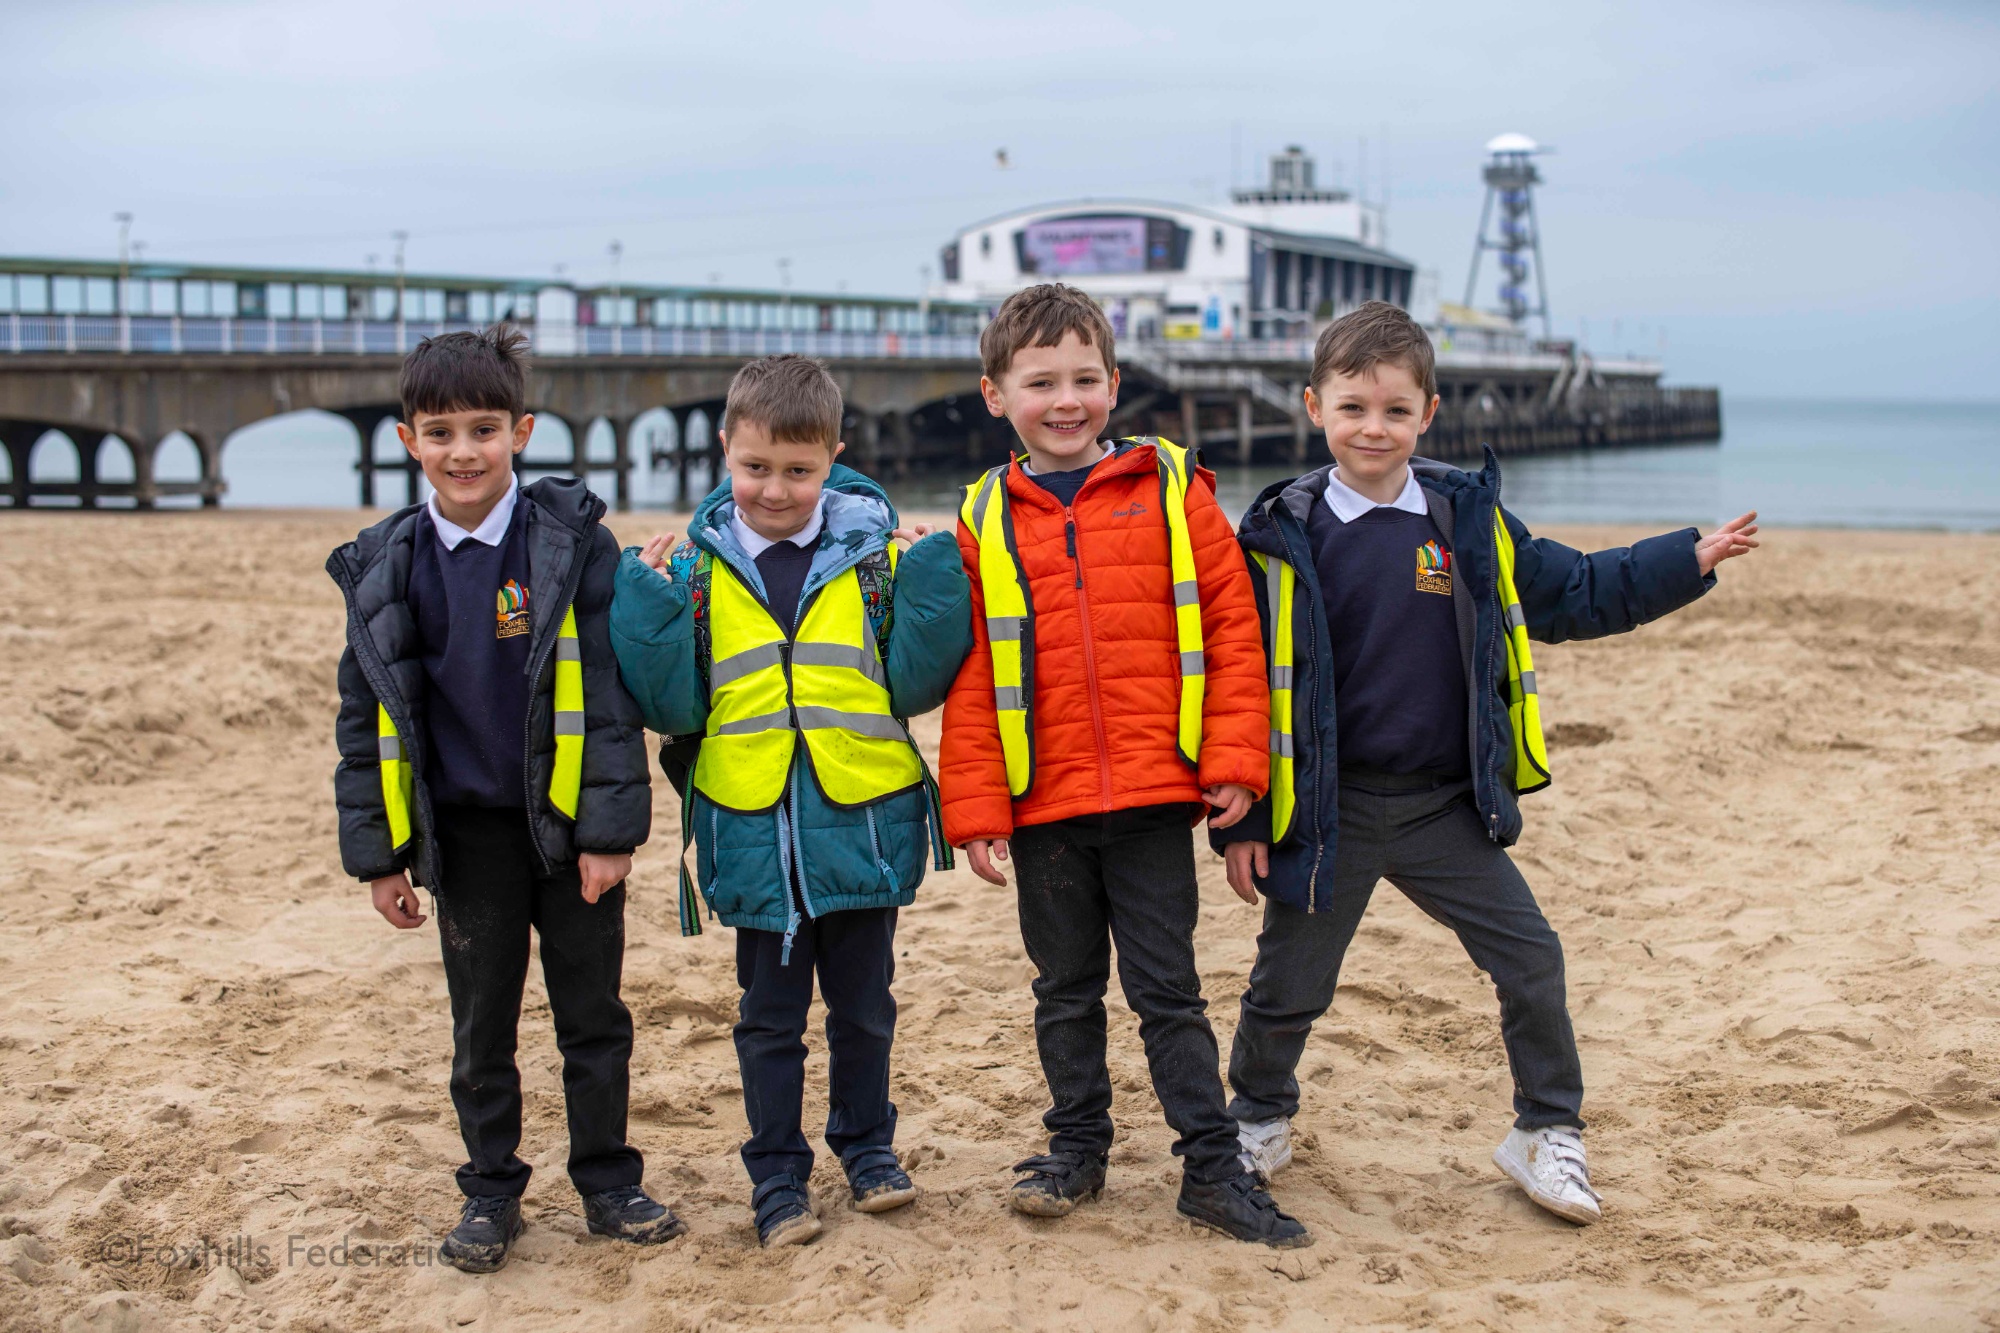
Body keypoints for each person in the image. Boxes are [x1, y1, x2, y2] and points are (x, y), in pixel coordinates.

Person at [1215, 301, 1760, 1225]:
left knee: (1531, 959)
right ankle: (1259, 1116)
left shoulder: (1465, 517)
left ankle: (1546, 1131)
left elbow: (1574, 590)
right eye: (1352, 407)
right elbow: (1234, 682)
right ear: (1314, 407)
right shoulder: (1278, 532)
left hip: (1444, 809)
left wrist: (1685, 558)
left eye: (1395, 409)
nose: (1373, 427)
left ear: (1429, 412)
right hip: (1327, 810)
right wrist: (1247, 822)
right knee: (1286, 986)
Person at [941, 283, 1309, 1249]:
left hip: (1152, 796)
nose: (1066, 401)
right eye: (1041, 383)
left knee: (1168, 991)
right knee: (1063, 989)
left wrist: (1235, 761)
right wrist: (977, 804)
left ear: (1115, 383)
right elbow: (975, 673)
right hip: (1043, 805)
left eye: (1085, 379)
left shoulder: (1172, 490)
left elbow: (1233, 628)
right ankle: (1078, 1149)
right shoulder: (983, 518)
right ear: (995, 394)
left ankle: (1211, 1168)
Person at [327, 326, 675, 1274]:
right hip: (465, 835)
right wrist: (378, 856)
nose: (464, 451)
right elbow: (365, 723)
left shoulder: (568, 543)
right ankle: (490, 1190)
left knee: (592, 1014)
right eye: (440, 432)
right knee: (481, 1025)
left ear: (521, 430)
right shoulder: (385, 564)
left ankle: (608, 1178)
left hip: (566, 830)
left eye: (484, 429)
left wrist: (610, 832)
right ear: (407, 440)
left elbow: (609, 698)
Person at [608, 354, 972, 1248]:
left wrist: (931, 578)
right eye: (756, 467)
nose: (776, 489)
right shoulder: (693, 570)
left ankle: (868, 1147)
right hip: (753, 830)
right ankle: (776, 1174)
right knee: (769, 1020)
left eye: (800, 471)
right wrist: (644, 607)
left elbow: (915, 685)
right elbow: (674, 706)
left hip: (863, 827)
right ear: (725, 448)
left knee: (865, 1008)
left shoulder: (874, 560)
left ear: (835, 456)